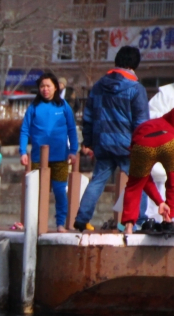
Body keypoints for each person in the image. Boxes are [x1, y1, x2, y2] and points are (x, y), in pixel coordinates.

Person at [74, 46, 149, 232]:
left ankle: (82, 218)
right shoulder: (136, 88)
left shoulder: (99, 86)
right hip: (127, 146)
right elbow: (141, 122)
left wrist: (88, 140)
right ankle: (138, 220)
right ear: (134, 65)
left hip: (103, 144)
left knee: (97, 181)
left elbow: (88, 116)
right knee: (140, 179)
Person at [19, 72, 78, 232]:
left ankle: (60, 223)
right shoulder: (33, 107)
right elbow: (25, 130)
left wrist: (73, 150)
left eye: (48, 86)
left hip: (60, 156)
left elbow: (72, 129)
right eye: (42, 86)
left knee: (60, 191)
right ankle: (36, 223)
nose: (45, 89)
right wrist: (23, 151)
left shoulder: (64, 106)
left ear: (55, 88)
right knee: (38, 192)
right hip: (38, 158)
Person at [119, 109, 174, 234]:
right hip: (169, 142)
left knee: (134, 186)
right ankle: (168, 219)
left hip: (142, 143)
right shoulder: (168, 122)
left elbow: (144, 181)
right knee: (172, 181)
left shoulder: (143, 127)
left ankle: (128, 227)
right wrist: (163, 203)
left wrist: (159, 201)